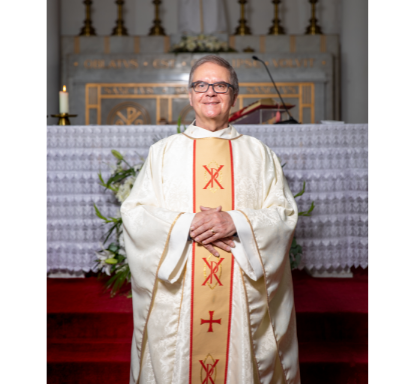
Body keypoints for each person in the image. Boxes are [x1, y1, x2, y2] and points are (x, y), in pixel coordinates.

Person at [122, 55, 301, 384]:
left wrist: (236, 223)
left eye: (221, 85)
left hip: (241, 294)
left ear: (235, 96)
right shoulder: (162, 153)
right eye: (201, 85)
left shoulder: (259, 154)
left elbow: (284, 213)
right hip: (181, 294)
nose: (210, 93)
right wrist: (186, 226)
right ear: (190, 95)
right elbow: (136, 214)